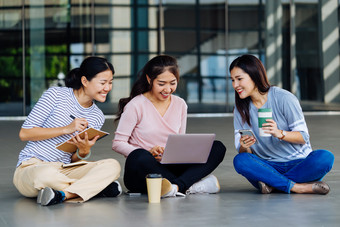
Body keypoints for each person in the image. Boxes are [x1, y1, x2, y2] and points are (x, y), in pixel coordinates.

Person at [112, 55, 226, 197]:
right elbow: (118, 143)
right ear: (149, 80)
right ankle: (191, 185)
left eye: (172, 83)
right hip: (144, 170)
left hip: (171, 166)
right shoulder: (135, 105)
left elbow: (180, 141)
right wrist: (149, 152)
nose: (167, 89)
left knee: (217, 147)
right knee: (139, 156)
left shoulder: (180, 104)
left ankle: (176, 186)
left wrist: (171, 154)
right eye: (161, 84)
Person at [13, 56, 122, 206]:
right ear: (85, 81)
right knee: (45, 176)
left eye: (110, 83)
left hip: (66, 169)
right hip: (33, 166)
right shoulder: (56, 95)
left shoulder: (97, 116)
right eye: (103, 83)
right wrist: (66, 129)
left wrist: (83, 151)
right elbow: (25, 133)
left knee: (112, 166)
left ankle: (63, 195)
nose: (108, 88)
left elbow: (72, 159)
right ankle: (95, 188)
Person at [230, 54, 334, 194]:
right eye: (232, 80)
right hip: (267, 165)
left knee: (325, 158)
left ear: (254, 75)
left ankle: (273, 184)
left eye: (239, 79)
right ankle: (298, 187)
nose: (235, 85)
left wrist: (280, 133)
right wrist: (244, 146)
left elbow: (303, 137)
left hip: (298, 162)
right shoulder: (240, 109)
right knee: (241, 160)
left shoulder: (284, 98)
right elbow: (245, 154)